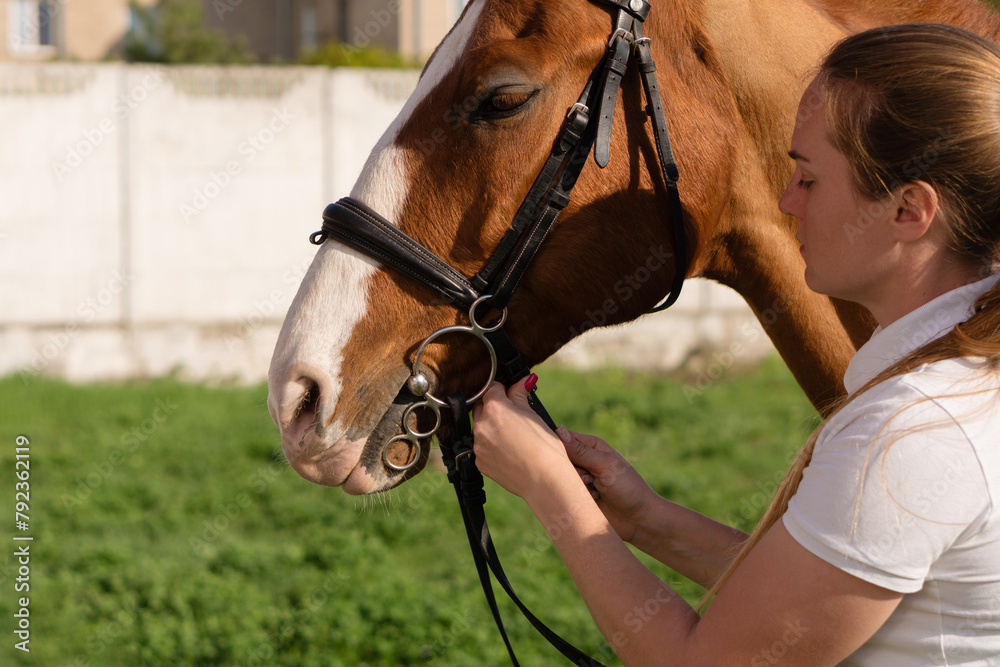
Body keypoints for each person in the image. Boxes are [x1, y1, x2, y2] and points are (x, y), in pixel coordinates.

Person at [471, 23, 1000, 665]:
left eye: (809, 179)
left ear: (909, 210)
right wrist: (646, 519)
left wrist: (548, 484)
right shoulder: (964, 385)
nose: (786, 201)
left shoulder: (915, 433)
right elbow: (818, 593)